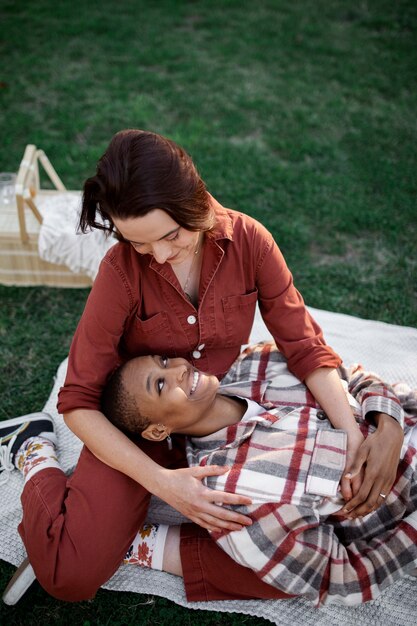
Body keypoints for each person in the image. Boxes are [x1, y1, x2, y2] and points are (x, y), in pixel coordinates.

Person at [0, 129, 404, 602]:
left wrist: (355, 436)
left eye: (171, 237)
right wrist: (164, 485)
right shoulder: (118, 272)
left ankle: (153, 545)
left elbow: (305, 346)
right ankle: (33, 452)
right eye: (141, 244)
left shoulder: (250, 241)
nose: (160, 256)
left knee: (313, 556)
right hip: (145, 417)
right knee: (70, 574)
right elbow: (79, 402)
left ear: (195, 201)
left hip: (215, 401)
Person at [100, 342, 416, 607]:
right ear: (158, 430)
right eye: (160, 384)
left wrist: (389, 426)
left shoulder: (258, 359)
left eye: (164, 361)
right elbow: (342, 578)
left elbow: (355, 376)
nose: (179, 369)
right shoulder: (231, 494)